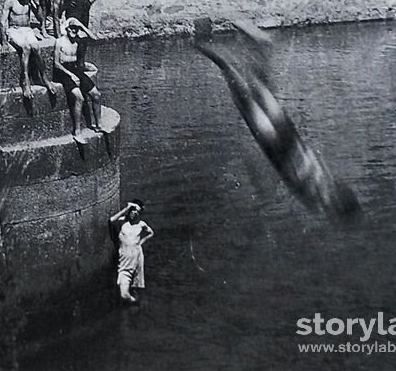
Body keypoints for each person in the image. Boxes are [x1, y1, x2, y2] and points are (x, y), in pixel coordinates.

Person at [194, 18, 360, 222]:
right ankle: (201, 41)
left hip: (291, 139)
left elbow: (312, 166)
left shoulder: (328, 189)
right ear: (336, 207)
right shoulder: (318, 201)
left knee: (256, 87)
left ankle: (263, 45)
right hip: (276, 144)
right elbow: (296, 174)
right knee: (240, 88)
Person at [0, 0, 55, 114]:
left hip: (27, 29)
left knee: (36, 47)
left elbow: (40, 17)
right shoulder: (10, 1)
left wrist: (36, 8)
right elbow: (2, 22)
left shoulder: (29, 2)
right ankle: (25, 81)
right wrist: (4, 41)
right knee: (26, 47)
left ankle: (45, 78)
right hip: (14, 30)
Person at [53, 17, 101, 137]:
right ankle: (77, 130)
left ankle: (98, 125)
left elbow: (94, 38)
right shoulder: (59, 42)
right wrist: (70, 75)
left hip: (75, 69)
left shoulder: (78, 41)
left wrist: (81, 26)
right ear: (67, 29)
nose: (74, 31)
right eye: (72, 29)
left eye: (76, 29)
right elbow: (56, 64)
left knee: (96, 94)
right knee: (79, 98)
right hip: (63, 71)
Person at [108, 200, 154, 305]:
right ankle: (135, 302)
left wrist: (141, 242)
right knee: (124, 295)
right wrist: (126, 208)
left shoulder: (141, 224)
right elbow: (111, 220)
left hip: (138, 259)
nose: (135, 213)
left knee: (137, 287)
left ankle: (135, 310)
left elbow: (151, 233)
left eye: (137, 211)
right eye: (133, 210)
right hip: (125, 262)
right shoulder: (121, 222)